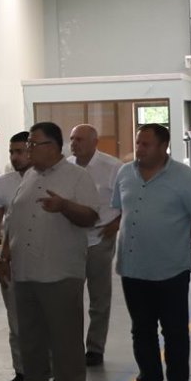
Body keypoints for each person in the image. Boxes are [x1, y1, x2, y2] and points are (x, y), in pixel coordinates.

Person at [1, 122, 103, 381]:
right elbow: (14, 218)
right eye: (28, 145)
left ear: (54, 146)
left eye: (33, 145)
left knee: (64, 339)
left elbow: (90, 217)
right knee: (30, 337)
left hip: (59, 271)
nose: (29, 150)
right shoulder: (29, 176)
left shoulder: (77, 176)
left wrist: (64, 206)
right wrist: (6, 253)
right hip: (25, 271)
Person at [113, 123, 191, 381]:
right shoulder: (124, 173)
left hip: (171, 269)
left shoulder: (184, 177)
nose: (139, 149)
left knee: (175, 331)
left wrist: (176, 241)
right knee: (141, 330)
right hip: (133, 267)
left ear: (163, 146)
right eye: (138, 142)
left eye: (146, 144)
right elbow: (120, 210)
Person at [68, 124, 123, 366]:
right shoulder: (66, 167)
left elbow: (129, 201)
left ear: (94, 142)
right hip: (72, 239)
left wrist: (116, 224)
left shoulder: (112, 168)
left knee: (99, 297)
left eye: (80, 139)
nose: (74, 143)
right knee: (70, 297)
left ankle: (95, 348)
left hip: (100, 237)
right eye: (72, 139)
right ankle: (71, 346)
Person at [0, 132, 33, 381]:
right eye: (11, 152)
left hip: (42, 261)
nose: (15, 157)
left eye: (20, 151)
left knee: (45, 322)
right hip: (11, 261)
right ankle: (22, 373)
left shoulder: (46, 180)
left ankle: (49, 372)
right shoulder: (4, 184)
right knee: (16, 322)